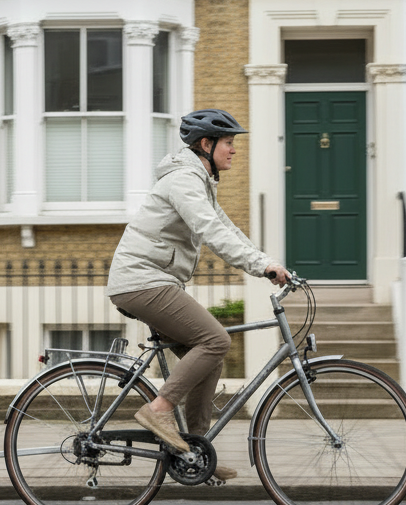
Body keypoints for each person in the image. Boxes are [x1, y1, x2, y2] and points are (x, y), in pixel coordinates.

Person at [106, 108, 290, 482]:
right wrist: (260, 267)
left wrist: (267, 261)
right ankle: (158, 409)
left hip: (154, 282)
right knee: (215, 339)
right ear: (206, 145)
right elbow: (211, 232)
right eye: (229, 143)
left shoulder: (198, 181)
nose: (234, 150)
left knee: (207, 355)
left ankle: (192, 450)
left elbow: (227, 227)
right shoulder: (183, 181)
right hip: (142, 281)